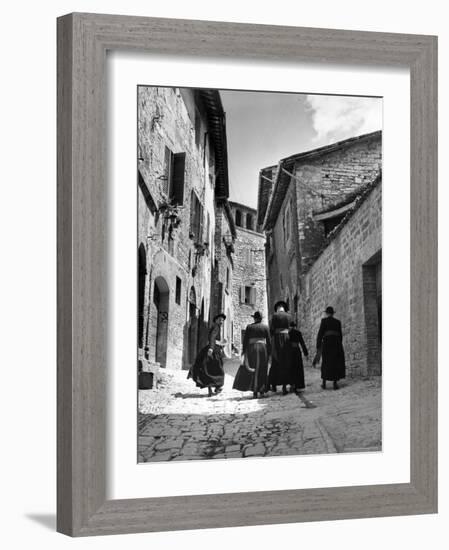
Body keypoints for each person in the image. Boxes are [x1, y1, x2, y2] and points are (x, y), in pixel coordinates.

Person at [187, 313, 226, 396]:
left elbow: (214, 339)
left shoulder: (215, 326)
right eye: (220, 319)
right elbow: (212, 337)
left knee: (208, 369)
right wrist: (211, 348)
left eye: (222, 320)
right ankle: (217, 387)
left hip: (214, 348)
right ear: (216, 320)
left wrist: (221, 344)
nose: (221, 321)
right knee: (218, 369)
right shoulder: (216, 327)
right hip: (214, 350)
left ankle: (211, 390)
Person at [313, 306, 346, 390]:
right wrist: (339, 344)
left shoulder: (324, 321)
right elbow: (340, 335)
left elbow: (320, 333)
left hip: (327, 343)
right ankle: (335, 384)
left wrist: (318, 345)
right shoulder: (337, 322)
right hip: (336, 343)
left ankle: (324, 383)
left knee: (326, 362)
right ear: (333, 313)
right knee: (335, 362)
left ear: (327, 313)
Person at [241, 311, 271, 398]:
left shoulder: (249, 327)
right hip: (262, 349)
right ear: (261, 319)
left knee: (253, 367)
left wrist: (243, 351)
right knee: (262, 368)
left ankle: (254, 390)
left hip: (252, 348)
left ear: (254, 318)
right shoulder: (265, 327)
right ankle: (261, 390)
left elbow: (245, 340)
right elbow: (269, 341)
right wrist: (269, 353)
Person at [268, 300, 292, 395]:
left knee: (275, 361)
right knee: (286, 362)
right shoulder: (289, 316)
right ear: (284, 308)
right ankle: (285, 386)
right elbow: (291, 328)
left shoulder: (274, 316)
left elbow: (271, 330)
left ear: (277, 308)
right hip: (287, 339)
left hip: (277, 339)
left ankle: (273, 385)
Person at [287, 321, 308, 393]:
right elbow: (302, 343)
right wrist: (306, 353)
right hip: (297, 351)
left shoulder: (288, 333)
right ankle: (298, 385)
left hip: (290, 351)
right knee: (297, 367)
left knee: (291, 368)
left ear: (290, 326)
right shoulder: (298, 333)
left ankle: (292, 384)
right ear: (295, 326)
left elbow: (286, 344)